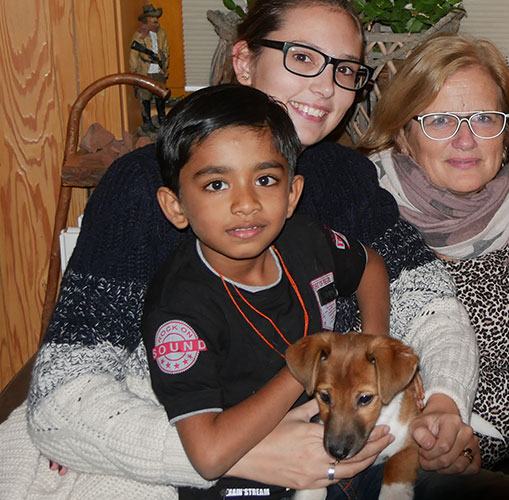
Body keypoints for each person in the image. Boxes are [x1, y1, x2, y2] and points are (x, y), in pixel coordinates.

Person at [0, 0, 479, 498]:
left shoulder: (345, 175)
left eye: (345, 69)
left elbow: (430, 301)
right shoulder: (143, 186)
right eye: (302, 58)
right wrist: (244, 453)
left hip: (352, 442)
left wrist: (444, 402)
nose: (326, 87)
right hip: (184, 452)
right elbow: (63, 395)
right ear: (243, 61)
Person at [144, 84, 389, 499]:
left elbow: (370, 266)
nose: (246, 203)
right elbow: (208, 455)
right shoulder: (180, 308)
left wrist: (375, 347)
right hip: (249, 483)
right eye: (216, 184)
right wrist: (307, 367)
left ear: (292, 195)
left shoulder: (306, 241)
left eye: (265, 179)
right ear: (176, 206)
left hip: (343, 449)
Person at [362, 34, 509, 492]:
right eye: (439, 120)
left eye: (484, 119)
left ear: (508, 130)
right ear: (403, 134)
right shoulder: (362, 216)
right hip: (392, 470)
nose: (465, 140)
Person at [130, 2, 171, 129]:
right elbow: (134, 54)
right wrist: (134, 70)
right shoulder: (139, 34)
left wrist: (163, 60)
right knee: (145, 97)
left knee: (160, 94)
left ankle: (162, 119)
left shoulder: (161, 33)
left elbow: (166, 49)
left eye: (155, 17)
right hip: (145, 69)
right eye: (152, 17)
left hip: (158, 69)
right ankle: (147, 122)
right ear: (146, 19)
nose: (154, 19)